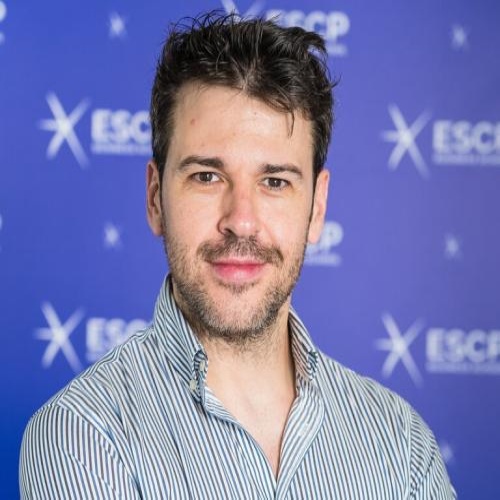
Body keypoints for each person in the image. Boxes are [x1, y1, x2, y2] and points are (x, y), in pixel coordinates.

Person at [20, 12, 456, 499]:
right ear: (155, 198)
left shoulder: (400, 443)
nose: (241, 220)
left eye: (275, 181)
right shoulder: (83, 438)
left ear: (317, 208)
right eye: (207, 177)